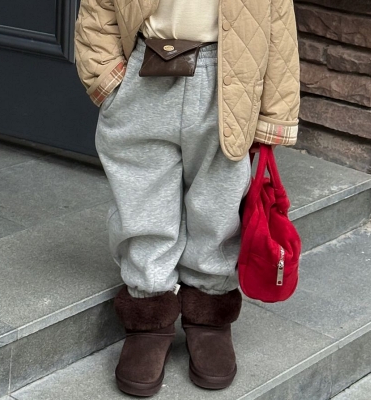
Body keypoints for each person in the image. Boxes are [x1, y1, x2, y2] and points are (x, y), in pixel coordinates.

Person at [74, 0, 300, 396]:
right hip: (144, 68)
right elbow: (99, 6)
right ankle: (149, 311)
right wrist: (105, 76)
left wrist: (274, 115)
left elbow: (278, 21)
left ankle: (209, 313)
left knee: (219, 203)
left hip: (230, 77)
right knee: (141, 199)